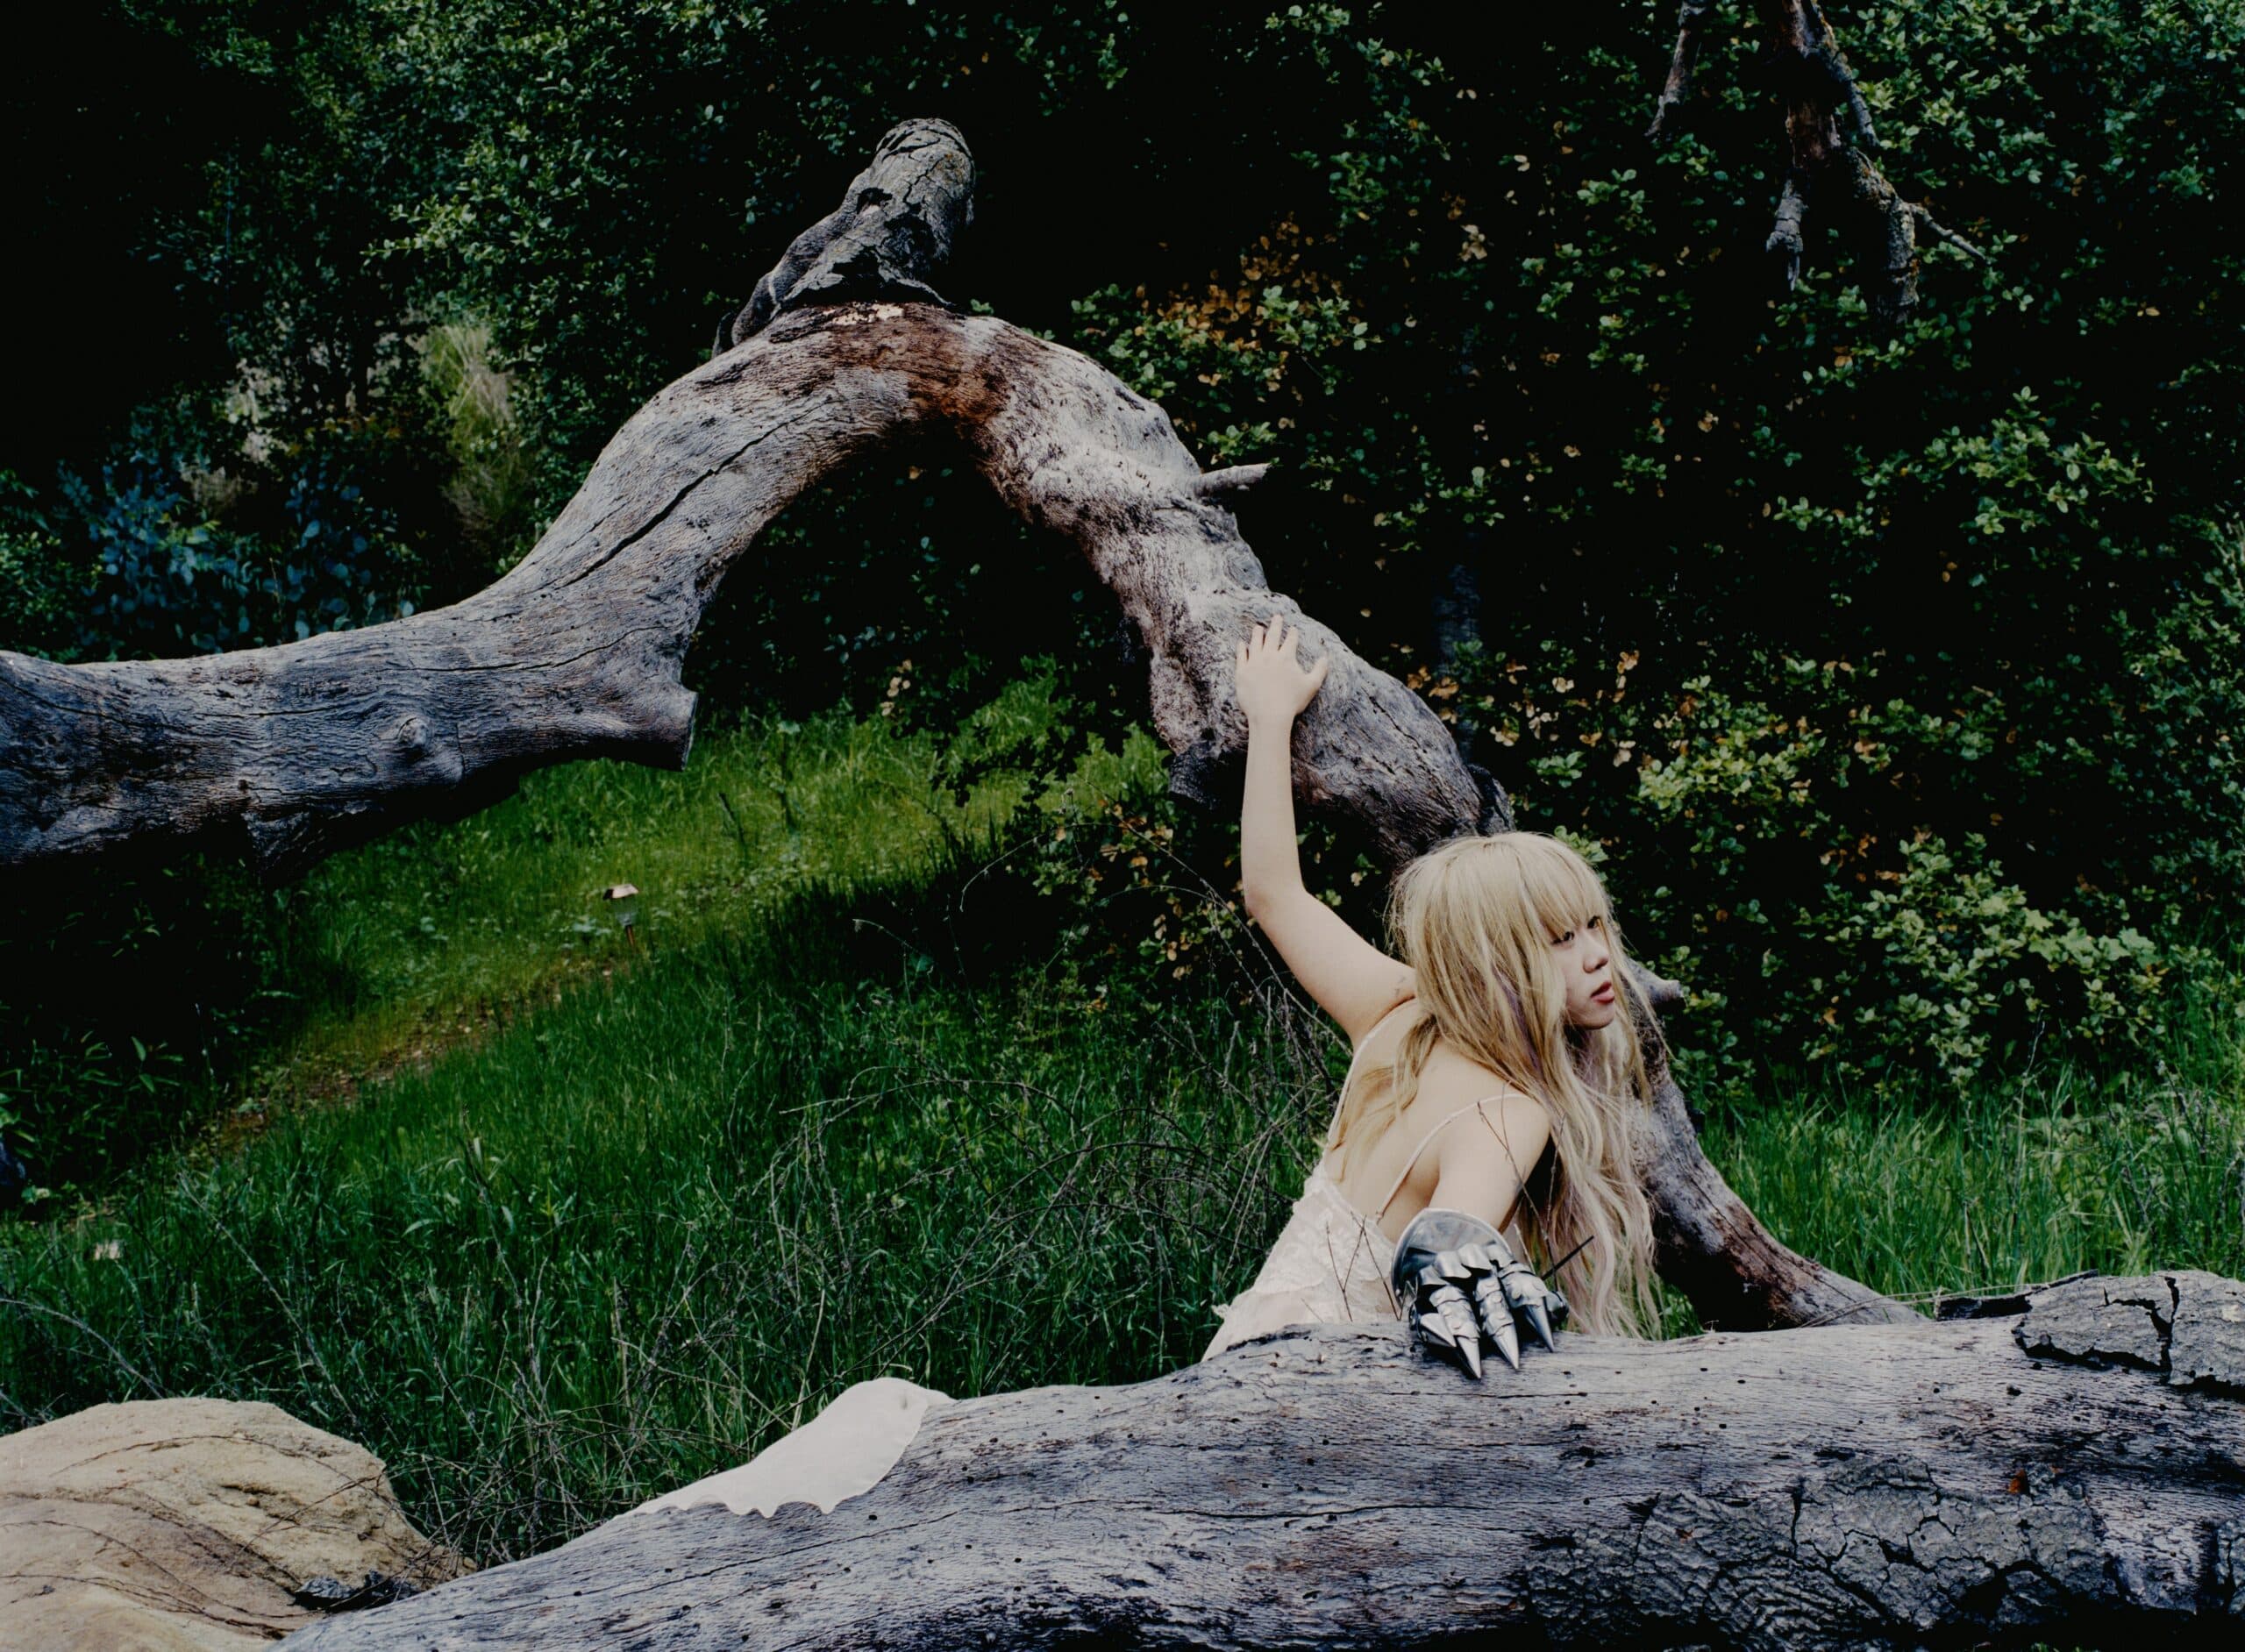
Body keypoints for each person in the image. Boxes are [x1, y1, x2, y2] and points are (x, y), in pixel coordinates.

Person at [1203, 616, 1659, 1372]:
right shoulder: (1511, 1111)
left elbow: (1273, 892)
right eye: (1558, 940)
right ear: (1493, 962)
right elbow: (1447, 1238)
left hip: (1239, 1356)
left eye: (1592, 925)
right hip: (1325, 1398)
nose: (1598, 957)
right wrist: (1461, 1259)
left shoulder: (1399, 1013)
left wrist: (1271, 715)